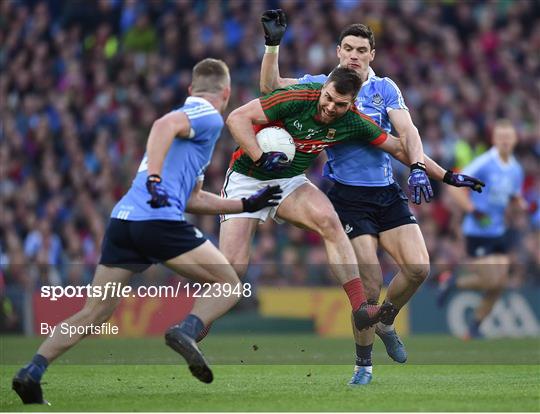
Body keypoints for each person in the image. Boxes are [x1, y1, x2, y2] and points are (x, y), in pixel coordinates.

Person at [12, 58, 283, 404]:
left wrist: (245, 205)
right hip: (158, 220)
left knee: (95, 312)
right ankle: (186, 331)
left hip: (123, 221)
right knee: (229, 283)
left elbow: (193, 198)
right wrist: (155, 178)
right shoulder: (207, 116)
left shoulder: (192, 131)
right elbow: (162, 124)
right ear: (226, 93)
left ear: (190, 88)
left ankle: (32, 371)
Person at [259, 12, 484, 385]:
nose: (353, 55)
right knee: (370, 283)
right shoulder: (322, 85)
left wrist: (433, 171)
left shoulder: (385, 89)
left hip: (387, 194)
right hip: (347, 196)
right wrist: (272, 46)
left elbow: (406, 135)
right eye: (347, 48)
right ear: (337, 51)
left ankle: (386, 320)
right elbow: (269, 88)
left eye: (361, 50)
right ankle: (363, 367)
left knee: (418, 268)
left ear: (372, 55)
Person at [439, 119, 526, 339]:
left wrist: (521, 206)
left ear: (514, 139)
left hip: (498, 231)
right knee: (491, 281)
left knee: (500, 283)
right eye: (501, 137)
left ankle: (475, 326)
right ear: (495, 139)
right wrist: (472, 209)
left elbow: (514, 197)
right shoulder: (485, 163)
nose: (505, 141)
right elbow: (455, 186)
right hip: (477, 231)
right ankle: (454, 282)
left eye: (509, 137)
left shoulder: (516, 169)